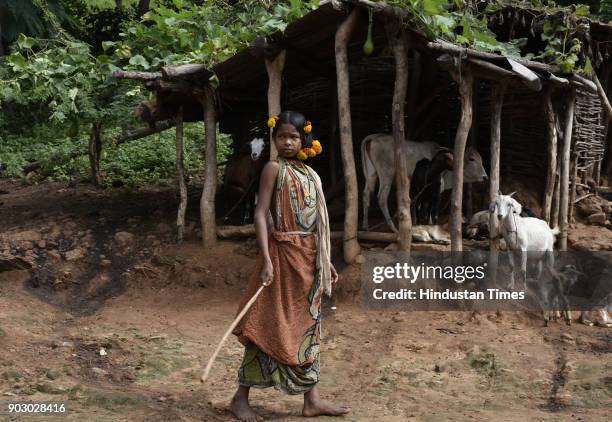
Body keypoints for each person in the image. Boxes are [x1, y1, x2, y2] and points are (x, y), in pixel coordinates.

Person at [230, 111, 350, 421]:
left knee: (309, 326)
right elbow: (260, 214)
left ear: (303, 140)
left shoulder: (311, 175)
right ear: (274, 139)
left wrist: (326, 261)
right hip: (282, 258)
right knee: (269, 323)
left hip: (309, 261)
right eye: (281, 136)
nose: (287, 141)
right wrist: (267, 259)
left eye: (293, 137)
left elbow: (319, 225)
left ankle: (312, 400)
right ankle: (240, 398)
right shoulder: (273, 169)